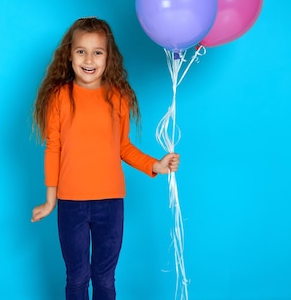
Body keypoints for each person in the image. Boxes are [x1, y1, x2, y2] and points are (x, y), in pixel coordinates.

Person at [31, 17, 180, 300]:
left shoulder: (118, 97)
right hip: (71, 204)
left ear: (108, 57)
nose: (89, 59)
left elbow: (123, 147)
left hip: (110, 205)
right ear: (69, 55)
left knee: (104, 277)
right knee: (76, 276)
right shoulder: (59, 97)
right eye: (81, 51)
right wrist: (50, 200)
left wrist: (155, 165)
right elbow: (53, 148)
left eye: (97, 51)